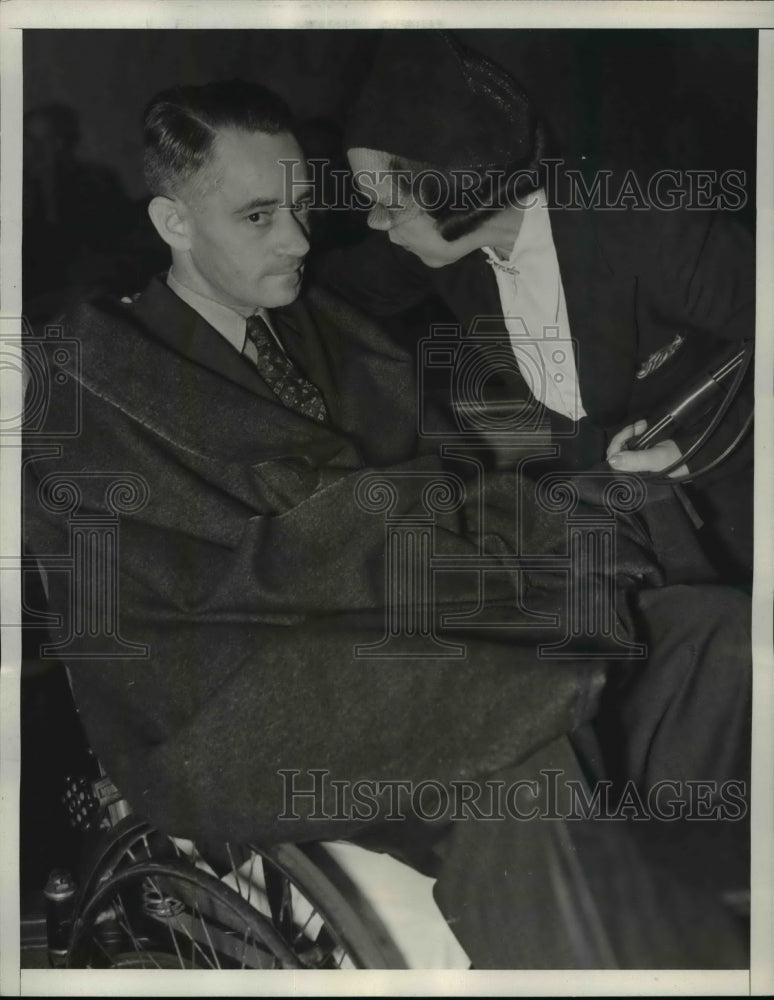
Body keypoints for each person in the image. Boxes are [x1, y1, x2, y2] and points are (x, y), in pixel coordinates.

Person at [23, 78, 750, 968]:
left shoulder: (329, 325)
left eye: (300, 206)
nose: (296, 239)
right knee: (513, 736)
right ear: (174, 223)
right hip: (251, 694)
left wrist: (584, 489)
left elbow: (461, 483)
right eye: (258, 217)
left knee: (721, 639)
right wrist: (463, 529)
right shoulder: (99, 380)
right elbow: (202, 588)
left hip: (425, 619)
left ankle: (704, 931)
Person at [318, 30, 754, 584]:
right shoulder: (441, 249)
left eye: (386, 205)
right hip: (623, 530)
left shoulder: (646, 226)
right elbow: (327, 288)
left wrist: (688, 451)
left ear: (452, 184)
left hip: (735, 501)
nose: (375, 225)